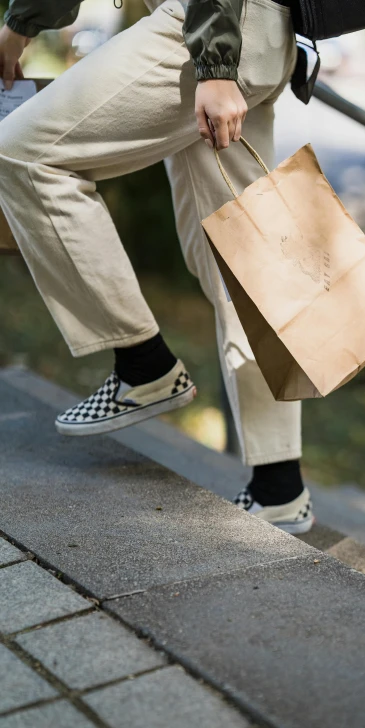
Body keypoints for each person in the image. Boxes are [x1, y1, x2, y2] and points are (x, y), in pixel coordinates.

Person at [0, 0, 314, 534]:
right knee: (237, 257)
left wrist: (215, 65)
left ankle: (144, 366)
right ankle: (280, 486)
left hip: (209, 28)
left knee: (23, 153)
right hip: (245, 31)